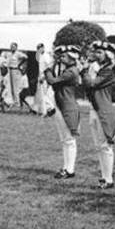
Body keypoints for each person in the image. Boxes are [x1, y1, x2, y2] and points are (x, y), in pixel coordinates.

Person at [79, 40, 115, 190]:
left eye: (100, 52)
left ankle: (108, 179)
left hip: (103, 110)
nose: (96, 54)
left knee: (105, 146)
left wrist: (84, 71)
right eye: (96, 52)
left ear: (107, 54)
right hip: (95, 108)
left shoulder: (108, 70)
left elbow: (91, 84)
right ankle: (104, 177)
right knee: (99, 146)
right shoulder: (98, 68)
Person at [45, 45, 84, 179]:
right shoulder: (68, 69)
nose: (62, 58)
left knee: (69, 140)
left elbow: (52, 81)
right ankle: (66, 168)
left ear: (72, 58)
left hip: (67, 106)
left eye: (64, 56)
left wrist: (48, 69)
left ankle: (69, 169)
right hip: (63, 105)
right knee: (65, 140)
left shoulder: (71, 71)